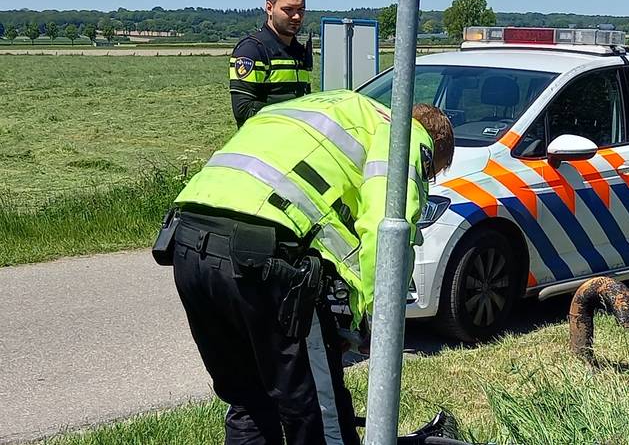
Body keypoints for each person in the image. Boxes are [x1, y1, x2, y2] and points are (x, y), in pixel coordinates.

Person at [165, 90, 454, 445]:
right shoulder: (404, 133)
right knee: (315, 410)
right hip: (263, 256)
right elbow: (386, 225)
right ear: (435, 148)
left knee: (249, 401)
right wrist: (382, 321)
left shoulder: (333, 106)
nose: (428, 180)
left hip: (187, 239)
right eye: (432, 174)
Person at [230, 0, 314, 127]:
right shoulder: (252, 51)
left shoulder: (298, 51)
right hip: (263, 147)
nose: (296, 16)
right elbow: (243, 111)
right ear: (269, 8)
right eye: (288, 9)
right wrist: (296, 118)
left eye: (301, 10)